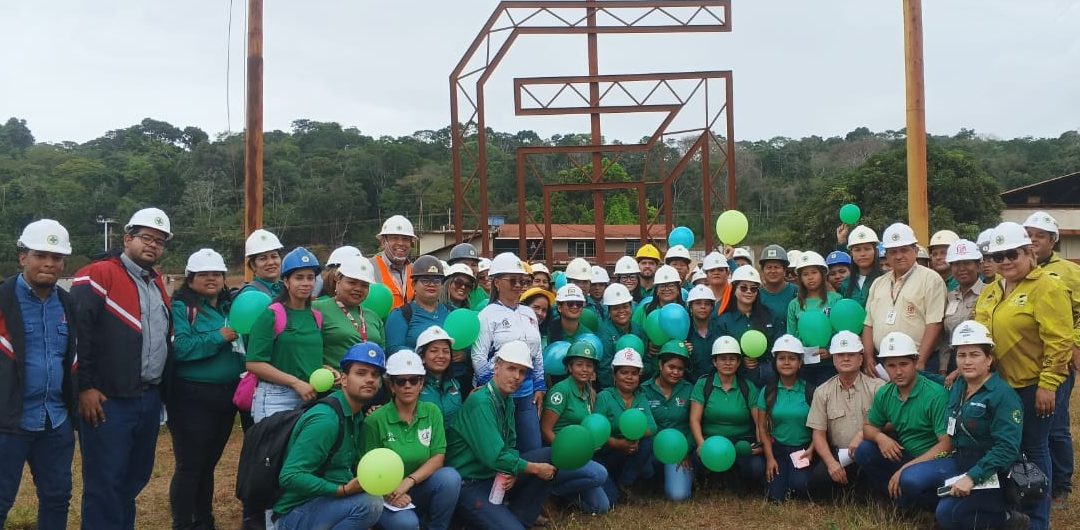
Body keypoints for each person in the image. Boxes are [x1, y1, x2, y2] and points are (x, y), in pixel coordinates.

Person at [71, 207, 174, 529]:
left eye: (159, 241)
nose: (152, 245)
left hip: (146, 397)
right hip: (107, 399)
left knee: (134, 478)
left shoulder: (156, 283)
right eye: (146, 237)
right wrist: (85, 387)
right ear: (127, 238)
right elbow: (78, 333)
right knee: (105, 482)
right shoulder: (98, 274)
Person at [974, 221, 1072, 529]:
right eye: (998, 256)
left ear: (1029, 252)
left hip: (1032, 386)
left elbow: (1059, 339)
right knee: (1006, 449)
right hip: (1000, 387)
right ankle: (1013, 513)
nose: (1004, 262)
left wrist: (1048, 384)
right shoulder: (992, 290)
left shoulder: (1047, 287)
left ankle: (1038, 521)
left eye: (1012, 254)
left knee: (1034, 449)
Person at [0, 220, 77, 530]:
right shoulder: (3, 300)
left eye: (56, 257)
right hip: (8, 423)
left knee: (57, 498)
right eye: (40, 255)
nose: (49, 263)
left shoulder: (68, 304)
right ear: (23, 257)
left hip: (55, 422)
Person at [272, 342, 386, 529]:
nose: (370, 379)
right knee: (369, 504)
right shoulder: (326, 420)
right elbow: (290, 476)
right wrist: (341, 490)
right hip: (294, 513)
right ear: (344, 379)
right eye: (361, 373)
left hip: (324, 504)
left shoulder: (356, 414)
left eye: (375, 375)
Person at [447, 341, 558, 530]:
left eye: (522, 372)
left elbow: (510, 444)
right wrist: (532, 468)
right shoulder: (481, 402)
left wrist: (512, 470)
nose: (517, 377)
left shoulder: (506, 399)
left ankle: (522, 516)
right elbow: (495, 456)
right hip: (470, 482)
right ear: (496, 367)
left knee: (554, 454)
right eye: (511, 368)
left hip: (493, 475)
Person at [168, 249, 242, 530]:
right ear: (190, 279)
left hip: (226, 397)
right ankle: (183, 524)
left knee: (208, 465)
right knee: (189, 467)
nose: (211, 279)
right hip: (191, 397)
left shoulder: (228, 306)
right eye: (204, 274)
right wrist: (218, 337)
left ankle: (205, 521)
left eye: (217, 274)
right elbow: (180, 348)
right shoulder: (182, 308)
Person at [934, 321, 1029, 530]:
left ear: (989, 359)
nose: (967, 361)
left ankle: (1006, 518)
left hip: (992, 471)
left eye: (974, 354)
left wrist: (972, 477)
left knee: (946, 515)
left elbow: (1007, 449)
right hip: (959, 459)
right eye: (961, 355)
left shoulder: (1003, 396)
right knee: (913, 482)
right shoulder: (959, 385)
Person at [362, 350, 461, 530]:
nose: (407, 385)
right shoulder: (374, 421)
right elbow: (366, 471)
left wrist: (408, 482)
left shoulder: (432, 412)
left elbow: (438, 457)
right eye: (400, 381)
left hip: (417, 485)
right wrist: (389, 492)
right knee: (407, 523)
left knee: (450, 478)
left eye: (414, 380)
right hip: (386, 494)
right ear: (391, 386)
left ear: (421, 384)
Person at [855, 332, 953, 511]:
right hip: (907, 454)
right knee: (864, 450)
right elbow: (868, 427)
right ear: (884, 367)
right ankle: (894, 499)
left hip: (936, 460)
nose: (898, 371)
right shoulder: (885, 393)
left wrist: (905, 468)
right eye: (891, 365)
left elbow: (946, 445)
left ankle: (914, 504)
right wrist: (880, 438)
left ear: (916, 362)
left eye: (904, 364)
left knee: (910, 479)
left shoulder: (935, 395)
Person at [1023, 211, 1080, 507]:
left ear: (1053, 240)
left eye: (1039, 236)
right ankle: (1029, 483)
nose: (1033, 241)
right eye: (1029, 235)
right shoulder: (1018, 271)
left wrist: (1074, 346)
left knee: (1056, 426)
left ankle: (1061, 485)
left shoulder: (1069, 272)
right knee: (1031, 428)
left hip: (1057, 361)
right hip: (1026, 362)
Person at [471, 253, 546, 453]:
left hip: (526, 392)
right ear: (496, 282)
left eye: (523, 281)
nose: (519, 285)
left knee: (532, 447)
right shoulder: (486, 315)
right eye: (513, 280)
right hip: (499, 393)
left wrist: (540, 385)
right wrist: (494, 389)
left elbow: (536, 352)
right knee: (501, 448)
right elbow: (478, 356)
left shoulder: (529, 313)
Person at [246, 247, 324, 423]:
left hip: (310, 397)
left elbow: (302, 357)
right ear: (286, 282)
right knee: (273, 451)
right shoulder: (272, 315)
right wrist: (295, 382)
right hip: (277, 398)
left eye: (310, 278)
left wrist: (326, 369)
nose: (306, 283)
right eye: (299, 277)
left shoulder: (316, 317)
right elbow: (254, 363)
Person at [805, 331, 885, 498]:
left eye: (851, 354)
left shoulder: (878, 388)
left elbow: (891, 422)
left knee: (873, 488)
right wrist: (831, 463)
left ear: (861, 359)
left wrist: (863, 434)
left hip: (871, 451)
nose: (846, 358)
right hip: (841, 454)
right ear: (834, 360)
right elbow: (818, 434)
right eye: (840, 355)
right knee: (817, 481)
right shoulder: (822, 391)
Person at [861, 223, 947, 377]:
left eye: (904, 250)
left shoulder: (931, 279)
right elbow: (868, 324)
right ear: (886, 255)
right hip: (884, 363)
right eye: (893, 252)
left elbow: (935, 323)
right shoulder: (878, 283)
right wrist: (868, 357)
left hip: (918, 361)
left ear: (915, 250)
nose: (898, 256)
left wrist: (920, 360)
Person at [540, 342, 612, 514]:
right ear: (569, 367)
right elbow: (545, 429)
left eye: (589, 365)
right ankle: (549, 492)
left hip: (580, 455)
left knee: (601, 507)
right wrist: (565, 452)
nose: (584, 369)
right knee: (599, 474)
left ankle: (563, 495)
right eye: (579, 364)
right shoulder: (561, 390)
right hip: (558, 456)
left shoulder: (588, 392)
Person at [689, 336, 762, 485]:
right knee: (697, 461)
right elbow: (694, 419)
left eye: (732, 359)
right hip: (712, 440)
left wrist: (760, 445)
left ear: (738, 362)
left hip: (741, 442)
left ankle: (734, 479)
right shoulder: (703, 384)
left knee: (757, 468)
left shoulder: (747, 387)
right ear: (714, 362)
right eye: (722, 359)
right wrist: (701, 445)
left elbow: (759, 422)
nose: (728, 363)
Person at [756, 335, 815, 503]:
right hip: (778, 450)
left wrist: (812, 450)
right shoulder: (767, 392)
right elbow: (762, 428)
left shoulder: (811, 391)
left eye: (792, 358)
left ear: (800, 362)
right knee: (776, 498)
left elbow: (821, 427)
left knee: (799, 485)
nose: (787, 362)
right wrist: (770, 458)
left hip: (803, 451)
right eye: (782, 358)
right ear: (775, 362)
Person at [595, 348, 657, 504]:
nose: (630, 377)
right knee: (612, 501)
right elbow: (595, 433)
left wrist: (634, 437)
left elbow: (652, 427)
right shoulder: (604, 397)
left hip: (631, 450)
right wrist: (617, 443)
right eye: (624, 372)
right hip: (607, 453)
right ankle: (616, 486)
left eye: (634, 373)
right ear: (614, 375)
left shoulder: (641, 398)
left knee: (647, 443)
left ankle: (625, 484)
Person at [642, 344, 695, 502]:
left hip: (679, 452)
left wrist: (685, 449)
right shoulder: (644, 390)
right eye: (671, 367)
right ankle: (649, 484)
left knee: (678, 496)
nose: (676, 372)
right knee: (642, 466)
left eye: (680, 369)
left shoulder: (689, 389)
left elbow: (696, 423)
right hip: (653, 448)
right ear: (660, 364)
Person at [716, 265, 784, 387]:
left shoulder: (770, 315)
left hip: (769, 379)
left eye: (753, 289)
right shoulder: (724, 320)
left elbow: (779, 346)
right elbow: (718, 352)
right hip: (736, 382)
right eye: (743, 288)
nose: (748, 292)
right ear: (734, 289)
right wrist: (740, 360)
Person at [313, 255, 384, 369]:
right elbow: (304, 350)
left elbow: (382, 354)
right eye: (352, 282)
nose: (358, 288)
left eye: (364, 285)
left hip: (370, 384)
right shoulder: (317, 309)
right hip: (334, 384)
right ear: (338, 280)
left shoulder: (373, 316)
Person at [787, 251, 841, 386]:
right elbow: (791, 335)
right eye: (805, 274)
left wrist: (829, 351)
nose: (810, 278)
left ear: (823, 274)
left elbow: (841, 331)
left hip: (830, 364)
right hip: (804, 365)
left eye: (814, 272)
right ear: (800, 278)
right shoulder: (794, 304)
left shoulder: (836, 299)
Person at [936, 240, 985, 380]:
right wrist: (943, 368)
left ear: (978, 266)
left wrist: (959, 371)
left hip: (977, 362)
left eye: (967, 263)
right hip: (953, 360)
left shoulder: (989, 293)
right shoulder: (950, 297)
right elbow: (946, 337)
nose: (961, 268)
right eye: (956, 264)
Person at [385, 255, 449, 354]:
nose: (431, 284)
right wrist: (423, 354)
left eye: (437, 281)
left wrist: (462, 353)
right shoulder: (401, 315)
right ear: (414, 285)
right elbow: (392, 350)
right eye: (425, 280)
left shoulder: (451, 312)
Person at [596, 283, 645, 389]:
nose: (621, 311)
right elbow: (604, 369)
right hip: (612, 389)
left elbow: (646, 360)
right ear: (609, 311)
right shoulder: (604, 333)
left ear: (631, 307)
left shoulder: (638, 330)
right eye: (616, 308)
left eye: (625, 306)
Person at [416, 326, 463, 424]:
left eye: (446, 351)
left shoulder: (455, 383)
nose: (441, 356)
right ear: (422, 357)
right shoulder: (413, 385)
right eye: (434, 351)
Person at [371, 215, 417, 311]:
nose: (400, 243)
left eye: (405, 239)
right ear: (383, 242)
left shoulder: (415, 270)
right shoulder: (370, 267)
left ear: (411, 243)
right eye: (394, 238)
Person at [837, 225, 884, 308]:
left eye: (867, 249)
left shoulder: (886, 279)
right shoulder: (845, 284)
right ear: (851, 254)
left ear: (875, 251)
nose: (862, 254)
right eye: (857, 250)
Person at [685, 285, 721, 382]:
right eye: (698, 303)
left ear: (712, 307)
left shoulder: (720, 329)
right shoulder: (684, 332)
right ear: (690, 307)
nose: (703, 307)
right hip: (692, 384)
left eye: (707, 304)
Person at [758, 244, 797, 327]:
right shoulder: (755, 294)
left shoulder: (796, 292)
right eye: (769, 267)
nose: (773, 271)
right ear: (762, 270)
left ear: (785, 270)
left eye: (776, 267)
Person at [240, 228, 285, 297]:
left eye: (274, 256)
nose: (270, 262)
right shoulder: (251, 293)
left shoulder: (286, 287)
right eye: (263, 259)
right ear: (253, 265)